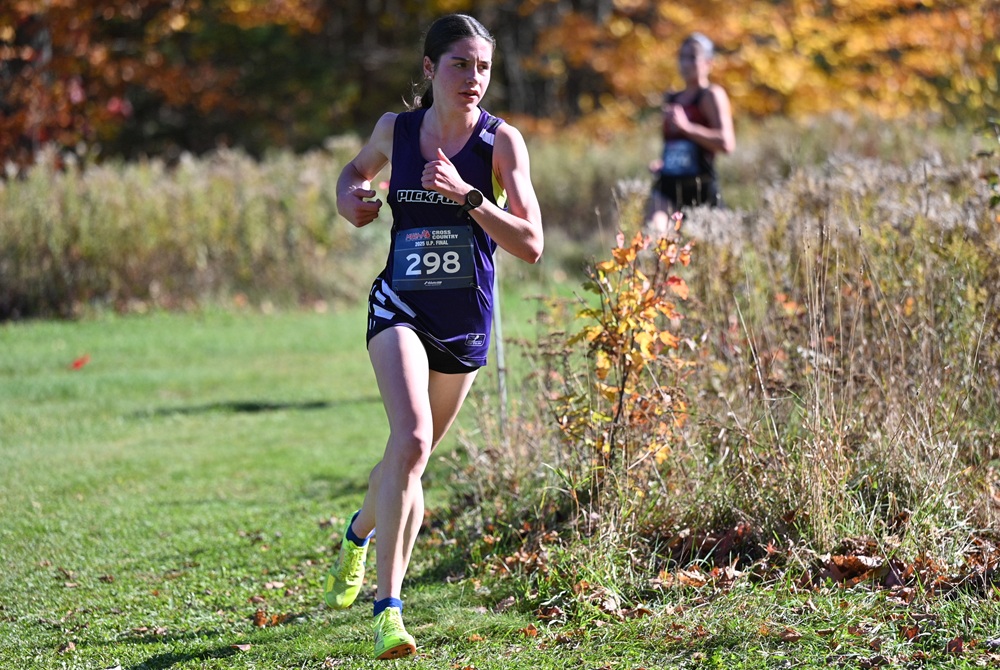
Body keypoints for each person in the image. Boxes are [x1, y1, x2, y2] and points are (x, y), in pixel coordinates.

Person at [324, 13, 543, 661]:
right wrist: (350, 200)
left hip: (464, 324)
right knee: (413, 438)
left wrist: (470, 196)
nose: (473, 77)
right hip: (400, 306)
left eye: (483, 67)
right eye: (459, 64)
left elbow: (531, 243)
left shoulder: (502, 142)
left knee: (408, 459)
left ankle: (358, 533)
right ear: (429, 68)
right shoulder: (395, 131)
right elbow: (353, 174)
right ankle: (388, 611)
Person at [647, 33, 735, 234]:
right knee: (655, 238)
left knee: (708, 251)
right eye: (682, 57)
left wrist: (687, 127)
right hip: (668, 186)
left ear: (708, 62)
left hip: (701, 188)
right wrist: (664, 163)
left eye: (692, 57)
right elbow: (673, 145)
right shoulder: (672, 98)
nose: (685, 63)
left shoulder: (711, 95)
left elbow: (727, 143)